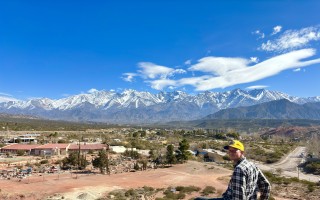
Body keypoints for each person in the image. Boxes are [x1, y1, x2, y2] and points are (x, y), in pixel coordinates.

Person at [195, 140, 271, 200]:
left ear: (242, 152)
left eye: (234, 150)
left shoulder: (239, 169)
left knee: (198, 199)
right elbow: (266, 185)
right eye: (229, 150)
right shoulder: (252, 164)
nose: (231, 153)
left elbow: (239, 198)